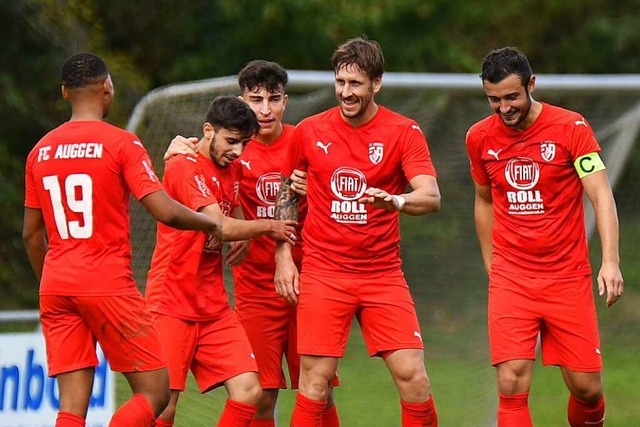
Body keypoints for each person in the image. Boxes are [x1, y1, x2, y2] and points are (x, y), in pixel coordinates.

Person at [22, 52, 223, 427]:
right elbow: (163, 210)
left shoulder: (40, 151)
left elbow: (32, 234)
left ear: (65, 92)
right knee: (156, 392)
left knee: (70, 408)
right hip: (106, 283)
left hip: (56, 285)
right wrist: (211, 223)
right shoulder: (121, 143)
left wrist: (50, 282)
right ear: (107, 88)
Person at [274, 37, 441, 426]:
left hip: (382, 274)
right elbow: (287, 189)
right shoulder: (309, 130)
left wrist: (395, 201)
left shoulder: (403, 131)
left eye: (356, 84)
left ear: (375, 84)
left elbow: (431, 195)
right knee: (313, 383)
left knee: (414, 379)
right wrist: (283, 255)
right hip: (324, 272)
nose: (346, 93)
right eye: (341, 83)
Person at [165, 60, 340, 427]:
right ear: (241, 100)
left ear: (285, 101)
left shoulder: (304, 140)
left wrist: (318, 191)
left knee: (320, 390)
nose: (264, 109)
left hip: (311, 283)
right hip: (255, 290)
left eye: (273, 99)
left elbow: (340, 193)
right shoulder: (226, 150)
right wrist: (177, 148)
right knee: (260, 395)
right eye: (255, 99)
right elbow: (203, 179)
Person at [465, 47, 624, 426]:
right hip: (512, 279)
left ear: (531, 84)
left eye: (511, 97)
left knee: (587, 388)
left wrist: (611, 261)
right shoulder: (479, 138)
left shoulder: (572, 128)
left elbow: (600, 195)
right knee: (511, 380)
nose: (504, 108)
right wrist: (492, 264)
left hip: (566, 277)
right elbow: (484, 201)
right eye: (494, 100)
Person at [145, 95, 298, 427]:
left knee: (249, 391)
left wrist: (243, 231)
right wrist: (269, 226)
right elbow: (220, 225)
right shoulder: (183, 165)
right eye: (231, 141)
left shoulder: (233, 168)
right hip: (171, 301)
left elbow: (233, 211)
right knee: (163, 408)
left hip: (212, 306)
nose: (238, 151)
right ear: (207, 131)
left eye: (244, 143)